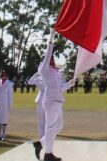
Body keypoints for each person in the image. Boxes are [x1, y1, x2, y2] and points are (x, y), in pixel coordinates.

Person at [33, 28, 74, 161]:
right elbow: (49, 51)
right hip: (51, 102)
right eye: (49, 57)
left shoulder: (54, 71)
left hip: (57, 101)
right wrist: (51, 36)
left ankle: (41, 144)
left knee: (58, 127)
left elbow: (60, 87)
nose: (52, 58)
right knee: (51, 128)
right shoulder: (43, 69)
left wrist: (70, 84)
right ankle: (48, 154)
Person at [28, 71, 45, 139]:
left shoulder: (50, 77)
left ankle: (47, 135)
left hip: (48, 100)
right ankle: (41, 135)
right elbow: (30, 82)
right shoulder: (39, 78)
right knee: (40, 119)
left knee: (47, 118)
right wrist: (36, 74)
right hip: (40, 99)